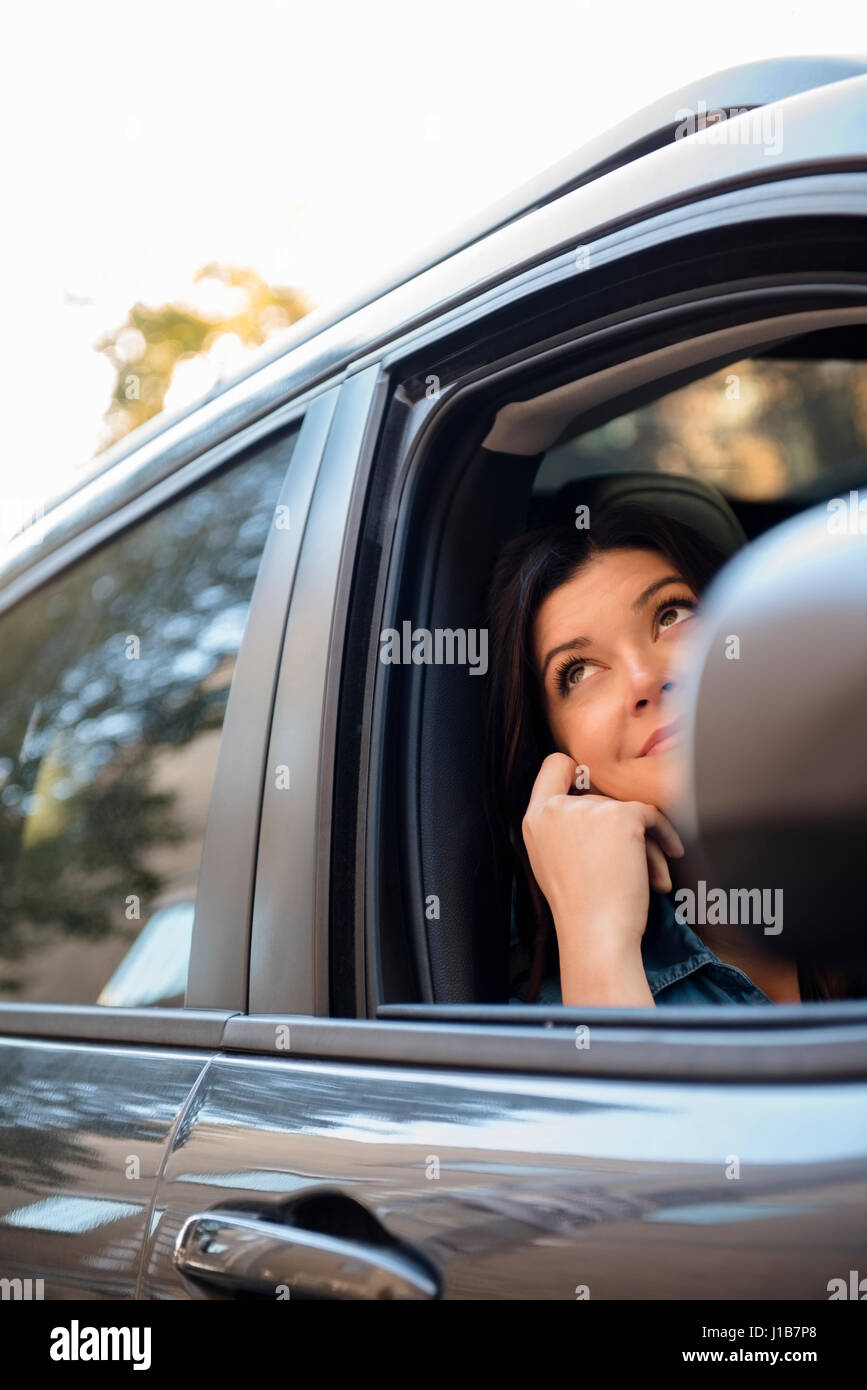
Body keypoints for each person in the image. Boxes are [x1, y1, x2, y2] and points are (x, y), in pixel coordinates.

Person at [483, 496, 857, 1007]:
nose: (645, 679)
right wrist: (596, 940)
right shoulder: (548, 1026)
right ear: (559, 759)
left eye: (671, 615)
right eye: (579, 671)